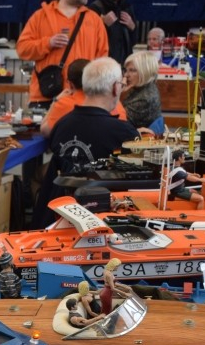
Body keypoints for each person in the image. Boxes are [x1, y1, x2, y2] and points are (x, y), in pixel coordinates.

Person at [34, 57, 138, 226]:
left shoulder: (61, 125)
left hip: (59, 218)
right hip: (105, 222)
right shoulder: (123, 133)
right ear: (115, 87)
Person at [16, 0, 108, 108]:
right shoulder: (40, 17)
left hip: (83, 98)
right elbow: (22, 49)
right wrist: (48, 43)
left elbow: (102, 59)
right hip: (46, 96)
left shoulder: (94, 20)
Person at [40, 58, 128, 137]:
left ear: (70, 84)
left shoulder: (64, 103)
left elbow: (45, 131)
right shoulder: (114, 102)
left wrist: (55, 100)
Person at [89, 0, 136, 66]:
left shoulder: (127, 7)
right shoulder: (96, 7)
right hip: (104, 64)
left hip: (125, 63)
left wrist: (132, 27)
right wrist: (102, 25)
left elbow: (133, 41)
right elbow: (88, 39)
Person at [122, 50, 164, 135]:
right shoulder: (142, 87)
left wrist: (118, 93)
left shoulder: (145, 98)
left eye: (132, 70)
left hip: (137, 140)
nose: (126, 75)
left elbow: (118, 123)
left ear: (145, 72)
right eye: (126, 70)